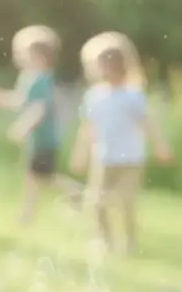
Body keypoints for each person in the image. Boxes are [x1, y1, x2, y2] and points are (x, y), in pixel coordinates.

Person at [71, 38, 174, 254]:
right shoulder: (94, 96)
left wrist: (160, 146)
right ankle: (104, 240)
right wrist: (80, 154)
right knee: (97, 201)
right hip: (104, 158)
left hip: (130, 159)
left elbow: (147, 122)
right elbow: (88, 128)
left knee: (126, 202)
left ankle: (130, 242)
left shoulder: (132, 95)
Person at [0, 28, 77, 224]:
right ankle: (28, 214)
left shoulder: (42, 79)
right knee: (34, 177)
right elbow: (19, 101)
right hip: (36, 138)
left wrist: (23, 127)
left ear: (39, 56)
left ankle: (75, 192)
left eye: (23, 53)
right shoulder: (29, 77)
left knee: (43, 176)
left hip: (44, 138)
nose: (19, 57)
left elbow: (40, 108)